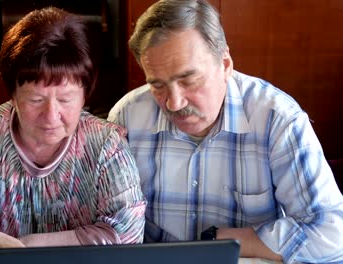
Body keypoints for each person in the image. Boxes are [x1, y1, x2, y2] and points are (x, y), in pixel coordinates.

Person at [107, 0, 343, 263]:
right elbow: (111, 225)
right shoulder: (127, 116)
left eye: (188, 79)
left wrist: (218, 241)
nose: (174, 103)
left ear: (226, 63)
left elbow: (333, 235)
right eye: (158, 85)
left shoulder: (277, 119)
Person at [0, 7, 146, 264]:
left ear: (85, 94)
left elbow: (127, 234)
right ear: (12, 95)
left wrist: (30, 247)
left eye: (65, 99)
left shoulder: (107, 144)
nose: (51, 116)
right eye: (36, 100)